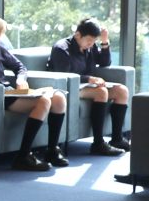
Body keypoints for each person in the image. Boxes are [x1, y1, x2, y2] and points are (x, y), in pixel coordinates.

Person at [0, 13, 68, 171]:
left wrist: (20, 80)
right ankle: (23, 156)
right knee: (44, 101)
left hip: (9, 92)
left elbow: (20, 67)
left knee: (59, 98)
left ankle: (52, 150)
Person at [47, 19, 130, 155]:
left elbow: (104, 62)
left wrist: (104, 42)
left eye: (93, 41)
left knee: (121, 91)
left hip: (86, 85)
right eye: (89, 40)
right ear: (78, 35)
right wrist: (90, 78)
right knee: (101, 92)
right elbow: (65, 75)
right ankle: (98, 143)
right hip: (66, 87)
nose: (91, 44)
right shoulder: (61, 48)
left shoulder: (89, 48)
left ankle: (117, 139)